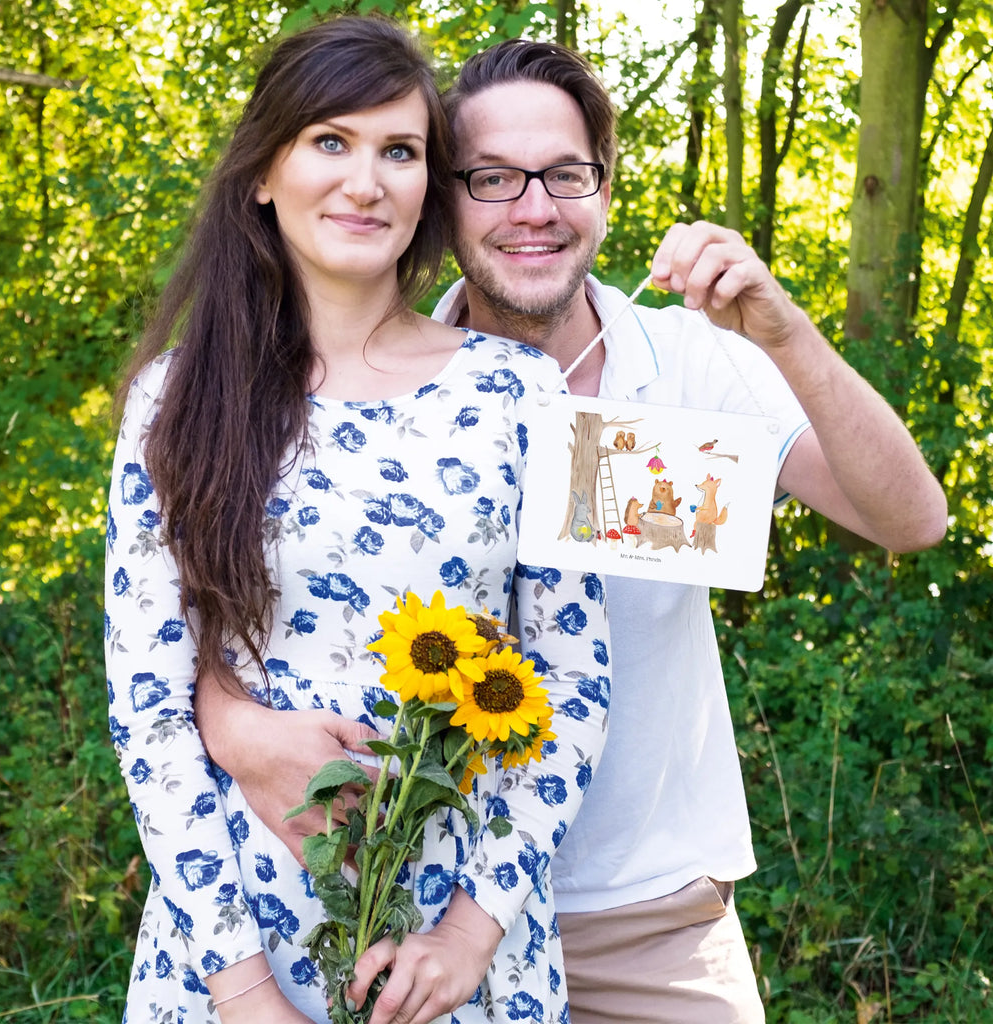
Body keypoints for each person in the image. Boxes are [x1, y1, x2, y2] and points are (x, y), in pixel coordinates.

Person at [195, 36, 948, 1024]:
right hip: (425, 904)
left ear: (605, 187)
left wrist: (779, 328)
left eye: (564, 174)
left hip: (647, 918)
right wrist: (228, 717)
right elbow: (243, 618)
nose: (534, 208)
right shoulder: (371, 382)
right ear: (442, 197)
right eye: (494, 178)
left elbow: (910, 519)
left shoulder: (689, 356)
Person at [104, 19, 610, 1024]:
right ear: (264, 172)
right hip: (235, 938)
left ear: (429, 188)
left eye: (401, 151)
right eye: (330, 142)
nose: (366, 182)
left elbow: (576, 680)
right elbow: (147, 707)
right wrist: (245, 994)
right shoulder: (174, 398)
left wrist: (468, 934)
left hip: (457, 946)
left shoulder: (531, 393)